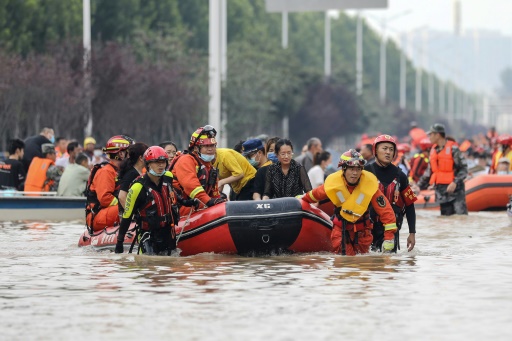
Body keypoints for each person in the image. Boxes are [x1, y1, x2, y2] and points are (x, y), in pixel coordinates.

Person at [301, 149, 397, 255]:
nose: (355, 173)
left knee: (362, 265)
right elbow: (313, 195)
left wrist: (389, 238)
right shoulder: (333, 185)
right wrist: (300, 200)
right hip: (341, 231)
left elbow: (386, 212)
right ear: (344, 169)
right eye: (351, 169)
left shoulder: (369, 187)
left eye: (358, 169)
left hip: (363, 233)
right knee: (345, 263)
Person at [115, 146, 199, 255]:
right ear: (148, 164)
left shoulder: (168, 177)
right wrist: (119, 242)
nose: (161, 165)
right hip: (148, 236)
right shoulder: (137, 187)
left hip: (168, 233)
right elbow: (127, 215)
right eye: (156, 162)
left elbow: (172, 194)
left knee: (170, 265)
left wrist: (187, 202)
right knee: (150, 264)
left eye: (163, 162)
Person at [365, 135, 417, 252]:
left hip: (392, 229)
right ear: (375, 151)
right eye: (384, 148)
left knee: (390, 264)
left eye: (391, 149)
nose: (388, 152)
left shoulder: (401, 176)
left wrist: (412, 233)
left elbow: (410, 206)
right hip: (368, 228)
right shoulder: (365, 172)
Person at [171, 125, 225, 215]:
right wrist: (208, 201)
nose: (211, 149)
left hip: (198, 207)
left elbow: (215, 195)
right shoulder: (186, 160)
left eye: (213, 145)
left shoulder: (210, 168)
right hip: (180, 209)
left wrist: (220, 201)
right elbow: (191, 186)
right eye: (206, 146)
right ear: (196, 148)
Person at [85, 135, 134, 232]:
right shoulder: (106, 172)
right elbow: (105, 199)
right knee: (129, 210)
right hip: (99, 216)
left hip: (110, 212)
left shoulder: (122, 171)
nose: (131, 157)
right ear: (121, 154)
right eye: (129, 153)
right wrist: (127, 206)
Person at [418, 123, 468, 216]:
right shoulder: (433, 151)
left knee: (460, 218)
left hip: (455, 191)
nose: (429, 137)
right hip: (441, 191)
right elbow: (429, 172)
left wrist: (455, 182)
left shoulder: (454, 149)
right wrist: (418, 186)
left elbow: (464, 169)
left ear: (438, 135)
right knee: (445, 221)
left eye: (431, 134)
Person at [118, 143, 148, 209]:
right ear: (140, 158)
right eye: (147, 155)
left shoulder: (138, 172)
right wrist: (130, 215)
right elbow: (122, 196)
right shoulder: (131, 174)